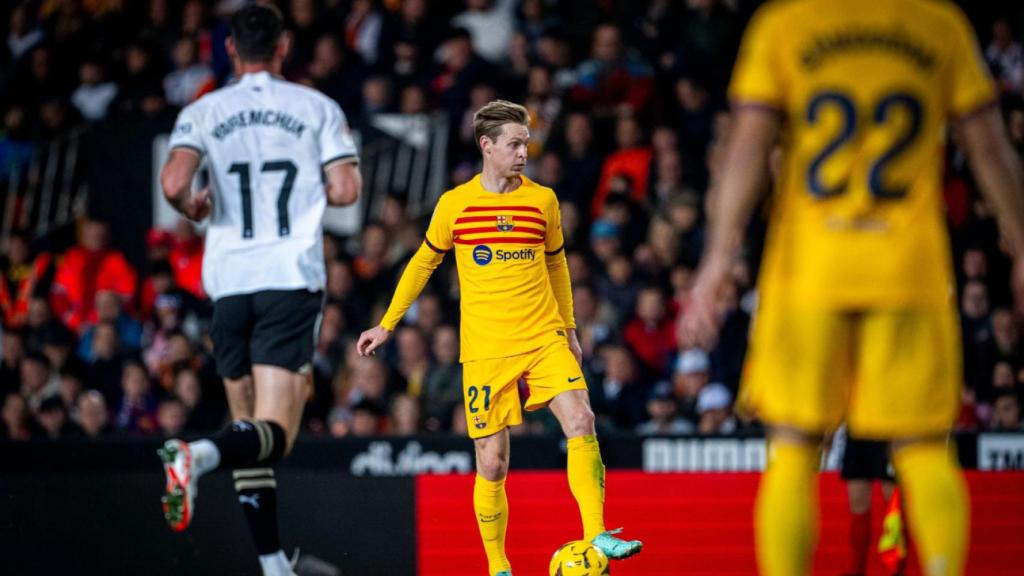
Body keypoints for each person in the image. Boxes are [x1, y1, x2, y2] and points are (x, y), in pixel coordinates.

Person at [682, 1, 1024, 575]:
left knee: (793, 449)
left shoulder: (786, 26)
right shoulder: (938, 25)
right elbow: (989, 147)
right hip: (908, 269)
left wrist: (716, 261)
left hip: (810, 270)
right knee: (922, 448)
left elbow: (747, 148)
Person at [357, 100, 641, 576]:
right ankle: (498, 566)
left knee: (582, 418)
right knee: (492, 463)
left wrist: (569, 330)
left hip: (543, 336)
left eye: (526, 144)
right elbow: (423, 263)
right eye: (514, 144)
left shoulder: (543, 200)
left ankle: (597, 533)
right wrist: (387, 323)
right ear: (486, 146)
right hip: (487, 349)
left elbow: (557, 265)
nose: (524, 153)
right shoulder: (455, 204)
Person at [156, 5, 362, 576]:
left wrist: (191, 207)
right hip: (286, 279)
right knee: (276, 434)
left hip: (228, 283)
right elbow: (346, 190)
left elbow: (173, 183)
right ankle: (197, 455)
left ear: (229, 49)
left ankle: (273, 564)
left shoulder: (204, 110)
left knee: (246, 426)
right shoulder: (315, 107)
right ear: (283, 47)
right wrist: (311, 186)